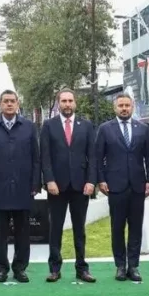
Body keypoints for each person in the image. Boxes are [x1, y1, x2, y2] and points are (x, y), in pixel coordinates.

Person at [0, 90, 40, 284]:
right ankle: (1, 269)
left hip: (24, 188)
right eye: (5, 101)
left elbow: (36, 158)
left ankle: (20, 268)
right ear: (0, 105)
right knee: (1, 234)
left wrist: (35, 184)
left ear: (17, 104)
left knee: (23, 233)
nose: (9, 104)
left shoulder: (29, 127)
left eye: (12, 101)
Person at [94, 94, 149, 282]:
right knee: (117, 227)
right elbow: (98, 158)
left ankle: (134, 266)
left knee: (135, 227)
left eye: (127, 105)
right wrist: (101, 180)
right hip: (115, 186)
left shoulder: (143, 129)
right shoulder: (105, 129)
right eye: (121, 105)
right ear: (115, 108)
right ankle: (120, 265)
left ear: (133, 107)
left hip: (137, 186)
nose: (124, 108)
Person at [39, 89, 97, 283]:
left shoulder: (87, 126)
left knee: (80, 228)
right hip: (57, 186)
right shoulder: (48, 126)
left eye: (70, 100)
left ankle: (82, 268)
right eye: (63, 101)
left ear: (75, 103)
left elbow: (93, 156)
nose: (67, 104)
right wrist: (49, 180)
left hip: (81, 186)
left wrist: (91, 181)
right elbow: (44, 156)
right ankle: (54, 268)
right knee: (55, 228)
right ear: (58, 103)